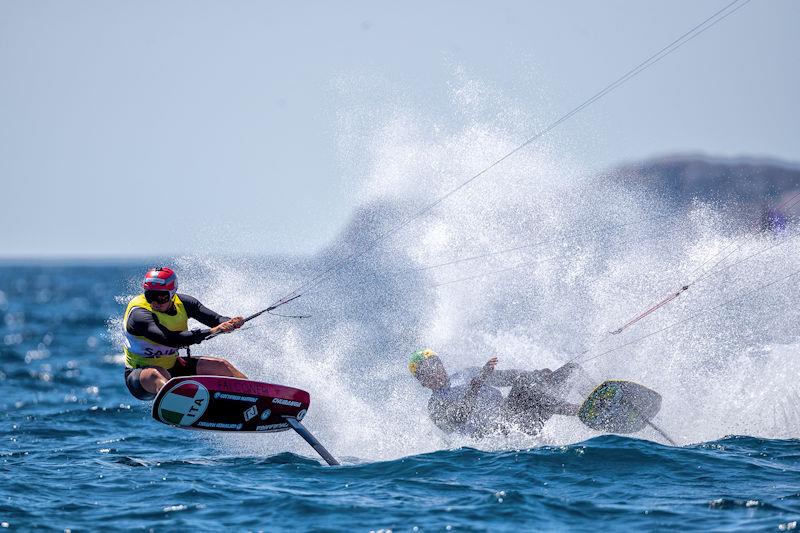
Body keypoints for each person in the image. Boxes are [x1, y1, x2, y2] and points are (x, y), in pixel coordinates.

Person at [122, 267, 247, 400]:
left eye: (161, 297)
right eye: (149, 296)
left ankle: (258, 397)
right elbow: (169, 339)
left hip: (173, 366)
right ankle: (184, 404)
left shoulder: (185, 303)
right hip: (141, 377)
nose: (154, 303)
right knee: (158, 374)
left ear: (172, 294)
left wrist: (231, 322)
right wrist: (212, 331)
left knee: (221, 365)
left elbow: (216, 320)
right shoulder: (139, 314)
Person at [408, 348, 582, 437]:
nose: (434, 372)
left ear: (441, 364)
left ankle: (600, 401)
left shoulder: (468, 373)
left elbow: (511, 377)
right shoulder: (435, 406)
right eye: (426, 372)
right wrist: (473, 389)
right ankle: (580, 411)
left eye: (435, 365)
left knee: (573, 369)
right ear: (422, 382)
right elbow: (459, 417)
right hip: (503, 433)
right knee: (523, 387)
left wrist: (536, 376)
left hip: (524, 414)